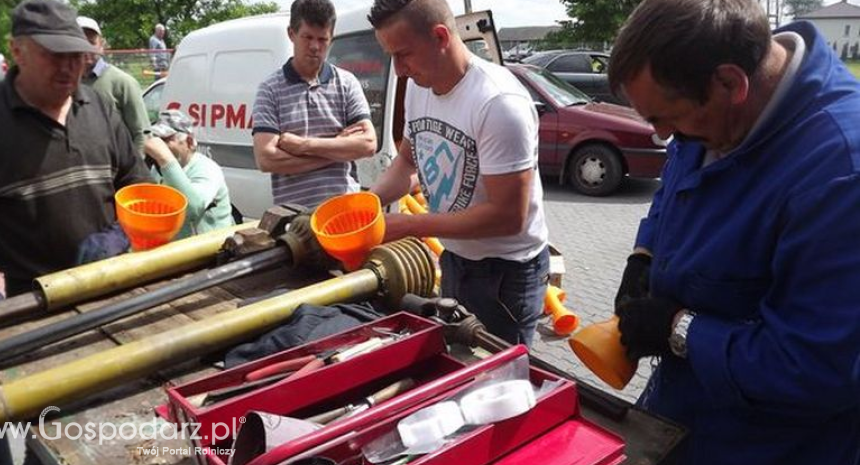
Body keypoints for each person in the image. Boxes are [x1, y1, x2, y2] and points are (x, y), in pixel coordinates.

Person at [607, 0, 860, 464]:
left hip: (770, 446)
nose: (664, 136)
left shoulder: (840, 172)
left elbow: (816, 368)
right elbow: (674, 185)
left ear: (729, 82)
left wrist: (677, 328)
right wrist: (644, 254)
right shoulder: (709, 120)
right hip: (681, 414)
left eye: (667, 119)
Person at [0, 0, 151, 307]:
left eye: (76, 55)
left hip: (112, 280)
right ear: (17, 51)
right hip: (33, 301)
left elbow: (138, 188)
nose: (67, 67)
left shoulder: (100, 108)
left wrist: (121, 233)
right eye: (54, 54)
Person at [367, 0, 549, 346]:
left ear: (439, 37)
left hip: (505, 275)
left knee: (499, 384)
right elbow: (408, 161)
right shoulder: (420, 89)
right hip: (456, 259)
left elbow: (509, 216)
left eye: (403, 54)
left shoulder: (498, 103)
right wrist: (367, 205)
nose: (399, 70)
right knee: (458, 364)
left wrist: (412, 225)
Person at [252, 0, 377, 208]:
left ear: (331, 39)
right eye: (307, 37)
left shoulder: (346, 83)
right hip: (294, 218)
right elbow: (266, 160)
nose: (314, 46)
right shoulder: (270, 90)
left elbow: (368, 144)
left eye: (322, 39)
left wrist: (304, 146)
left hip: (344, 212)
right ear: (291, 34)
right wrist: (337, 149)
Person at [144, 110, 234, 238]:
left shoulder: (207, 169)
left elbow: (192, 209)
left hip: (211, 251)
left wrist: (165, 159)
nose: (160, 146)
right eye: (157, 139)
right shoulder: (157, 169)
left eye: (166, 140)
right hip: (176, 251)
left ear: (190, 142)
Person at [78, 16, 151, 152]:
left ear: (101, 45)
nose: (85, 48)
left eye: (91, 42)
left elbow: (141, 133)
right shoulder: (66, 84)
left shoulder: (122, 83)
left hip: (116, 169)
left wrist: (134, 170)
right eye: (79, 42)